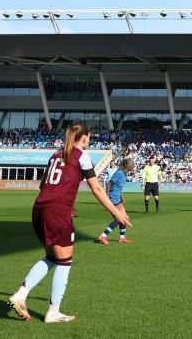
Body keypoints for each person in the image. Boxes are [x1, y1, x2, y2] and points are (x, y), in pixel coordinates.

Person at [8, 124, 131, 323]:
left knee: (51, 257)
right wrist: (116, 212)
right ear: (84, 138)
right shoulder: (81, 155)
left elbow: (45, 185)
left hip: (39, 209)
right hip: (56, 212)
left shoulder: (55, 155)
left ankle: (21, 295)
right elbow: (97, 189)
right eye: (89, 138)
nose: (89, 141)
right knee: (65, 262)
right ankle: (53, 312)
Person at [97, 158, 135, 245]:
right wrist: (106, 197)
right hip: (112, 198)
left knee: (124, 218)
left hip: (117, 198)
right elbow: (109, 183)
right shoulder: (119, 173)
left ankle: (122, 238)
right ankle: (103, 236)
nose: (133, 165)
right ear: (126, 165)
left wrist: (121, 196)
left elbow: (118, 187)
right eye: (132, 164)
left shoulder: (124, 174)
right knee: (120, 219)